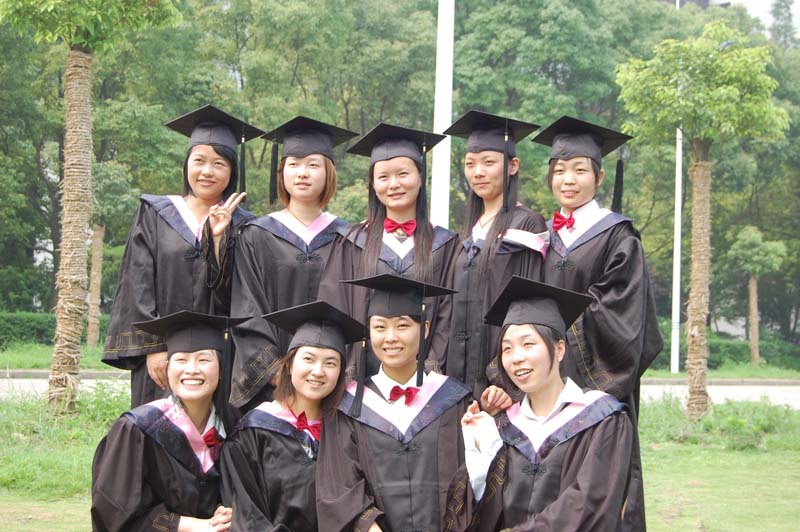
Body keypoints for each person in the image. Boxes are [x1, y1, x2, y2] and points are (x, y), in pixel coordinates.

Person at [532, 116, 663, 529]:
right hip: (542, 392)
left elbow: (624, 315)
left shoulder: (619, 236)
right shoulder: (540, 237)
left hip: (595, 389)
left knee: (597, 494)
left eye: (579, 170)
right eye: (559, 170)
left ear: (599, 176)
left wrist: (558, 336)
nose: (568, 180)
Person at [102, 104, 263, 408]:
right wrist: (153, 347)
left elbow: (242, 297)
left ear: (232, 171)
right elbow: (137, 283)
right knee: (157, 427)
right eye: (199, 160)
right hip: (162, 358)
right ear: (187, 163)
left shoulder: (246, 226)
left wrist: (218, 241)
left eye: (219, 163)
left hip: (218, 357)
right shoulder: (155, 214)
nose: (207, 171)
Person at [444, 276, 634, 531]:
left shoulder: (603, 419)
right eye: (507, 349)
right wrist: (480, 451)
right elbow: (474, 512)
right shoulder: (503, 426)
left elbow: (592, 502)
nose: (516, 358)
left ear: (560, 349)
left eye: (528, 344)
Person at [215, 116, 357, 411]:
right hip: (273, 389)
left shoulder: (349, 238)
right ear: (282, 173)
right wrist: (276, 372)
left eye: (313, 165)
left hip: (331, 385)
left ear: (328, 172)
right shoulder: (255, 235)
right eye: (293, 164)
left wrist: (335, 373)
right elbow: (247, 308)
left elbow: (356, 309)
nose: (302, 173)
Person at [316, 274, 471, 532]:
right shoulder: (348, 407)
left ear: (425, 329)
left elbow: (470, 480)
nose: (390, 337)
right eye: (379, 327)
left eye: (402, 326)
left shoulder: (455, 400)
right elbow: (338, 488)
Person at [317, 122, 460, 379]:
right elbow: (335, 310)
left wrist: (430, 373)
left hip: (426, 381)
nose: (393, 184)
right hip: (362, 381)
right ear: (372, 184)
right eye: (383, 177)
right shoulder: (351, 242)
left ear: (420, 177)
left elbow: (449, 316)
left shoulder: (446, 244)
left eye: (403, 174)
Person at [92, 311, 248, 532]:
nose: (192, 369)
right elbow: (115, 512)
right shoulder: (138, 429)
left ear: (222, 370)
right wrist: (193, 526)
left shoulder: (233, 426)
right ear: (167, 369)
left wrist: (228, 511)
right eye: (181, 360)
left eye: (204, 359)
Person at [220, 301, 363, 531]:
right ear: (289, 365)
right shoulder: (253, 431)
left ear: (340, 373)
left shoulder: (347, 431)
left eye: (330, 363)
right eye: (308, 359)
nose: (318, 371)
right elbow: (248, 515)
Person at [442, 110, 548, 406]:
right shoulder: (466, 232)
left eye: (489, 163)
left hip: (501, 381)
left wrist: (504, 379)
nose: (478, 172)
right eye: (470, 164)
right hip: (456, 375)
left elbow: (528, 307)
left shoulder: (527, 225)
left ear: (513, 166)